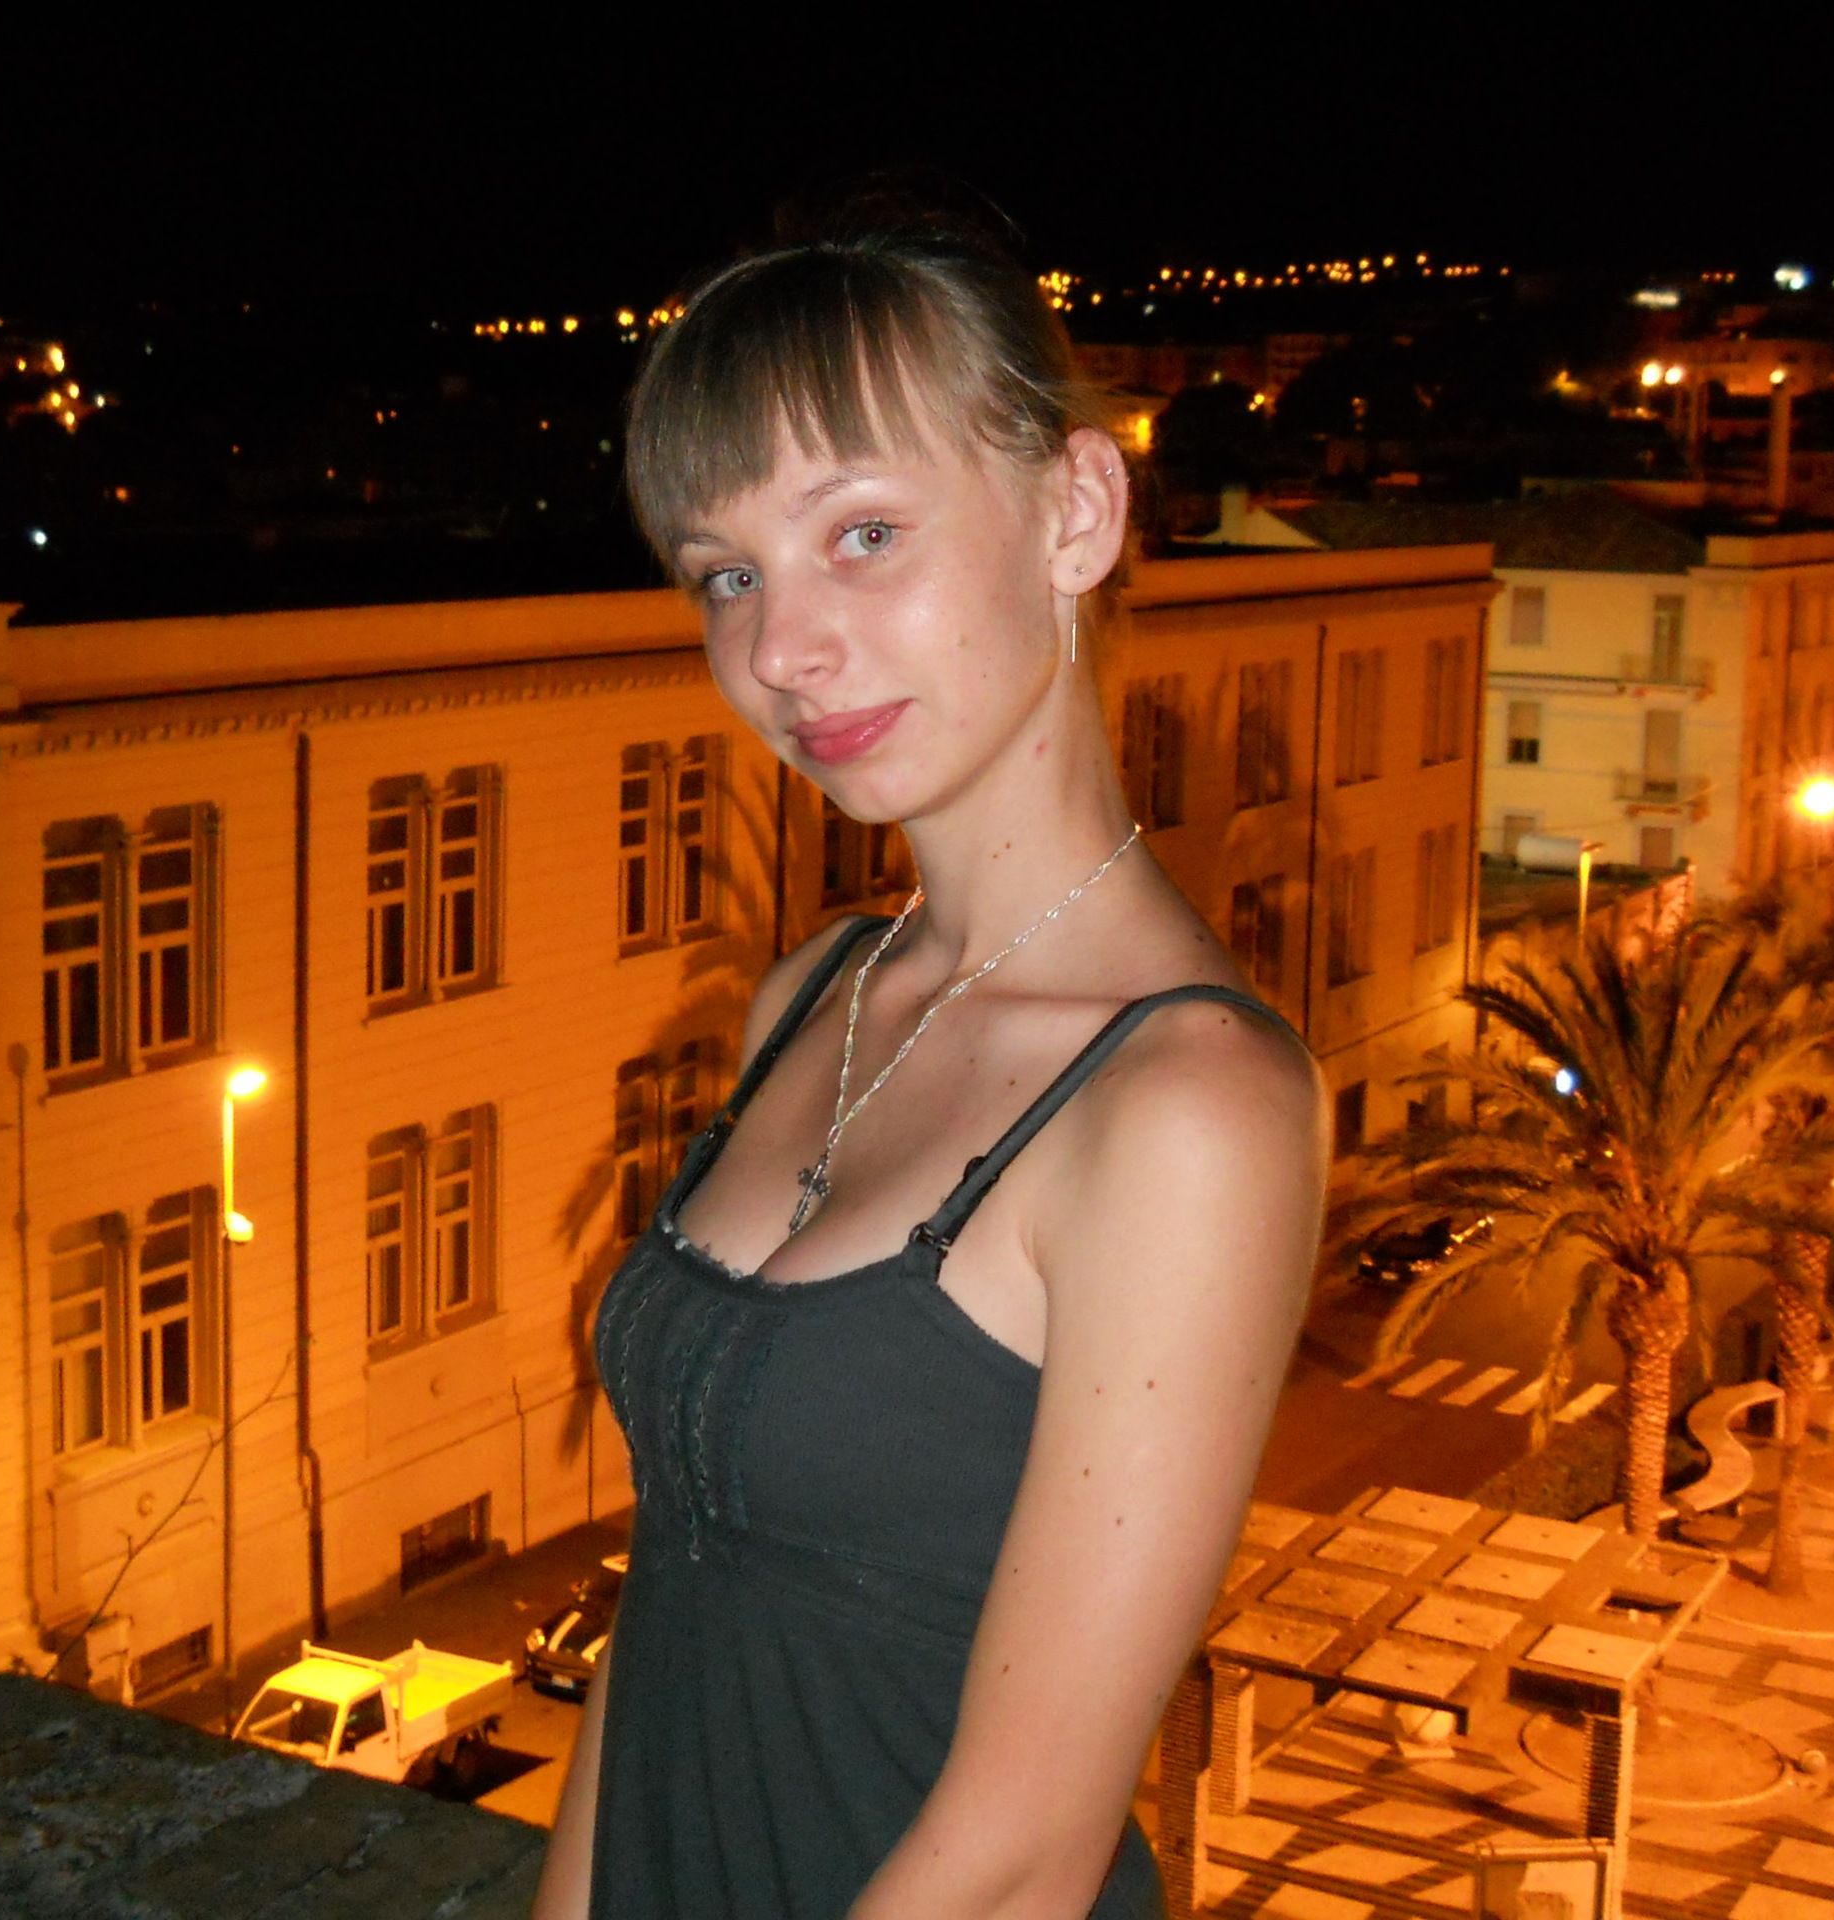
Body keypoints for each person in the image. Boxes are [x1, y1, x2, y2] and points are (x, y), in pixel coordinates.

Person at [531, 196, 1325, 1920]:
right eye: (728, 574)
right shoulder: (812, 997)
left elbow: (1024, 1854)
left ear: (1077, 511)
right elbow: (667, 1589)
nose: (779, 649)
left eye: (865, 534)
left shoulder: (1188, 1107)